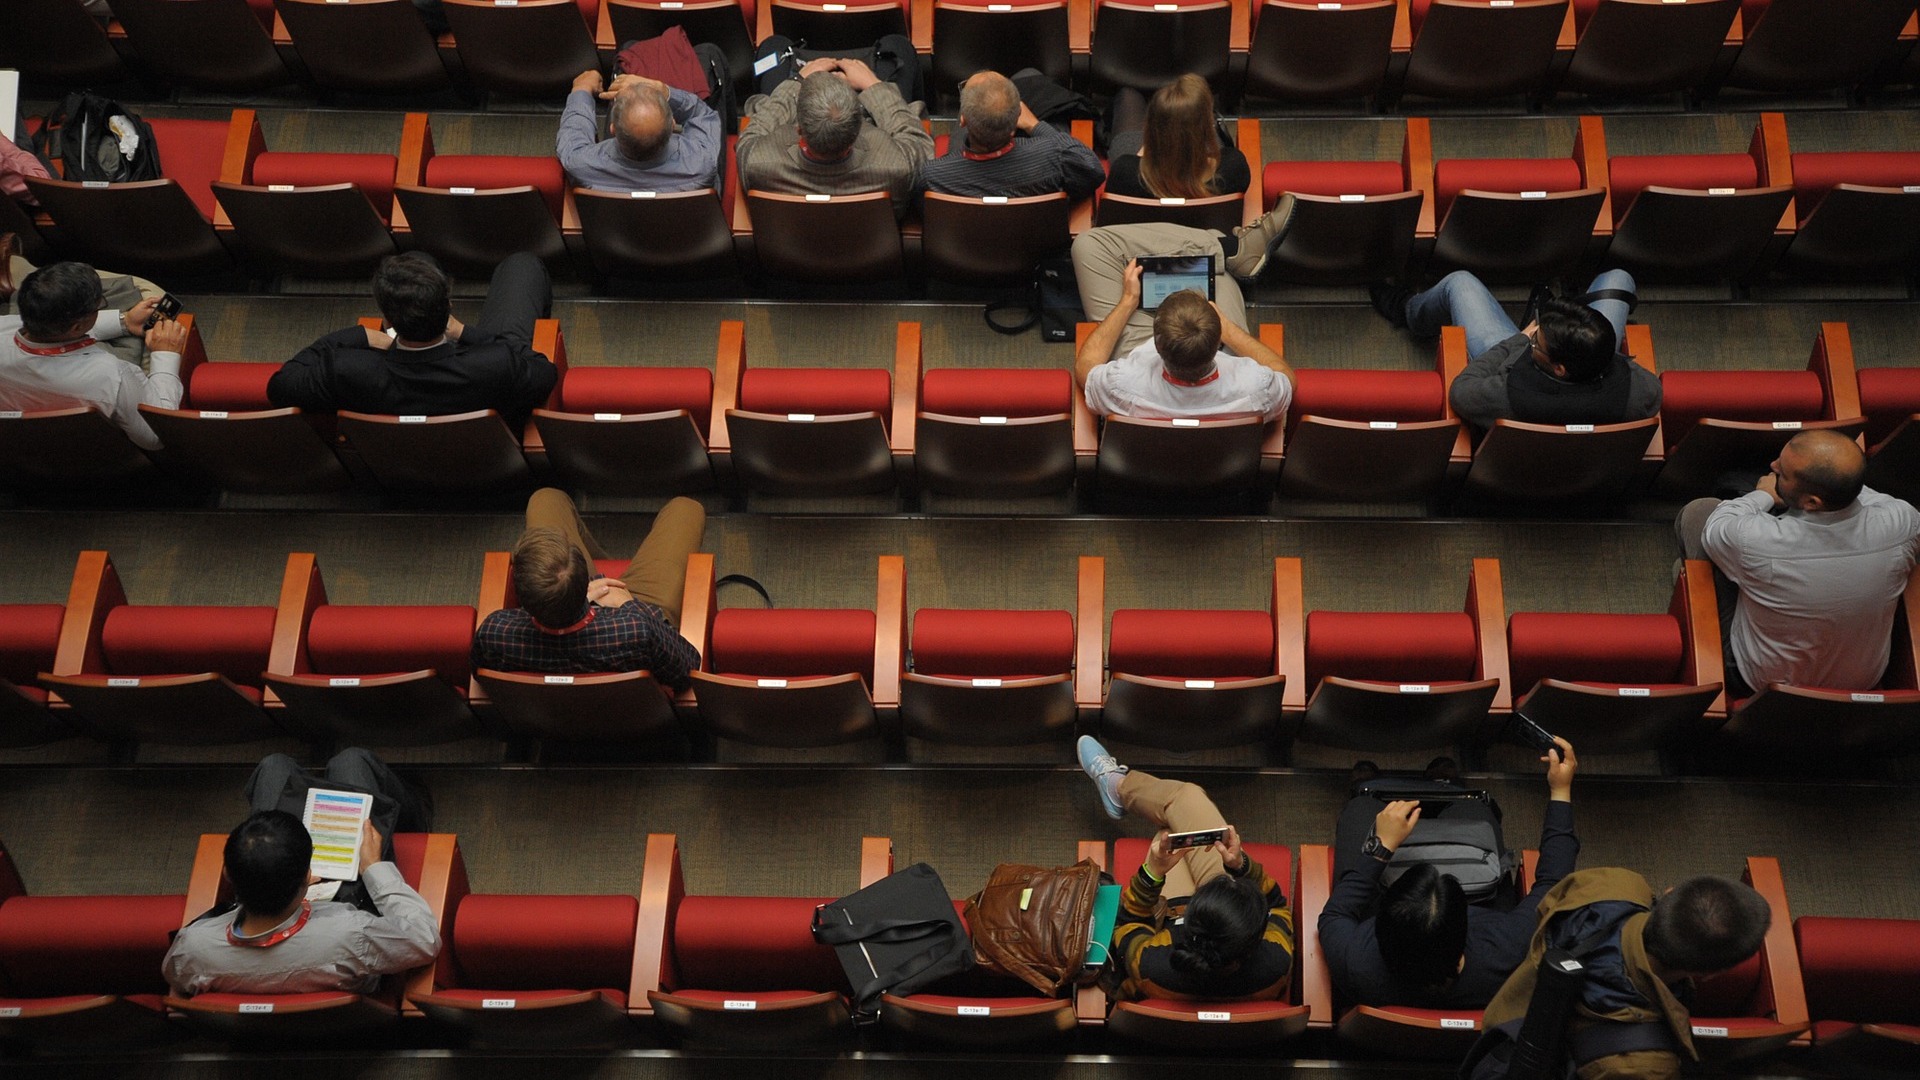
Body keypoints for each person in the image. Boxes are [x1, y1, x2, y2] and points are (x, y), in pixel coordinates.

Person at [1320, 740, 1579, 1010]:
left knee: (1361, 810)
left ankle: (1368, 793)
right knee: (1473, 810)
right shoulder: (1508, 951)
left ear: (1382, 930)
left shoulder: (1357, 962)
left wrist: (1380, 848)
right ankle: (1445, 787)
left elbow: (1335, 914)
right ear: (1464, 928)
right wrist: (1560, 790)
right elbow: (1554, 882)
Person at [162, 749, 439, 997]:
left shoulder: (192, 948)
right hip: (345, 913)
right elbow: (424, 939)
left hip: (296, 921)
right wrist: (373, 867)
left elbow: (180, 981)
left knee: (274, 766)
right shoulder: (352, 934)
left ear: (227, 874)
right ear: (309, 877)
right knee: (351, 761)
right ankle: (417, 813)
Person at [1675, 429, 1920, 697]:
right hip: (1862, 681)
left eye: (1783, 473)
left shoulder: (1755, 540)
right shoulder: (1904, 522)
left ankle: (1687, 586)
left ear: (1812, 502)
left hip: (1760, 682)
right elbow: (1857, 494)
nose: (1773, 466)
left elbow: (1718, 526)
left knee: (1700, 513)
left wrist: (1765, 494)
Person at [1479, 870, 1773, 1079]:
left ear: (1669, 894)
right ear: (1709, 975)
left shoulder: (1614, 885)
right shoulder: (1648, 1065)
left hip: (1505, 1022)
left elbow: (1546, 909)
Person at [1077, 736, 1294, 1002]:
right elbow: (1279, 907)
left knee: (1171, 826)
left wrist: (1152, 875)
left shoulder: (1152, 964)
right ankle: (1118, 788)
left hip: (1169, 917)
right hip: (1219, 932)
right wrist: (1240, 865)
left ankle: (1118, 787)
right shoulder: (1274, 961)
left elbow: (1129, 924)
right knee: (1177, 827)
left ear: (1191, 921)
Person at [266, 251, 557, 429]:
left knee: (417, 259)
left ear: (388, 320)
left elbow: (280, 385)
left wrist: (359, 335)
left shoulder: (345, 370)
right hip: (492, 462)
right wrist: (468, 334)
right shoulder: (497, 363)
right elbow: (544, 372)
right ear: (449, 308)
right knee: (521, 265)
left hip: (393, 469)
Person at [472, 488, 707, 692]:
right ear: (584, 577)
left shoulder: (494, 631)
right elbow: (690, 667)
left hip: (548, 717)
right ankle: (627, 570)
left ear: (519, 594)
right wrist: (630, 605)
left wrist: (568, 597)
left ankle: (612, 563)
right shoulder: (637, 628)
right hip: (632, 606)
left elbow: (481, 676)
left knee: (546, 498)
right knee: (685, 508)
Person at [1371, 269, 1660, 431]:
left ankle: (1406, 310)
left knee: (1459, 284)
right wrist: (1593, 342)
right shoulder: (1643, 394)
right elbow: (1631, 372)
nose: (1535, 338)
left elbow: (1462, 390)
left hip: (1513, 362)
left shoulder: (1505, 395)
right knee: (1620, 279)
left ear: (1560, 368)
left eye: (1539, 342)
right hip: (1588, 446)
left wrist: (1521, 340)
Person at [1073, 256, 1294, 422]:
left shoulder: (1120, 384)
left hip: (1144, 475)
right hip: (1225, 475)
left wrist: (1128, 301)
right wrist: (1231, 331)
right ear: (1218, 343)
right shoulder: (1257, 387)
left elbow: (1085, 368)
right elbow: (1287, 379)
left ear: (1157, 346)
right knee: (1224, 278)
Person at [0, 260, 184, 451]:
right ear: (76, 327)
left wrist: (124, 321)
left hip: (21, 450)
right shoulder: (111, 375)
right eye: (99, 305)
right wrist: (165, 353)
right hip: (102, 455)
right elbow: (156, 436)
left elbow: (48, 331)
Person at [735, 57, 934, 220]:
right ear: (858, 132)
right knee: (898, 45)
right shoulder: (897, 167)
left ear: (798, 129)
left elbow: (753, 133)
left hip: (786, 256)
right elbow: (917, 139)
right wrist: (873, 85)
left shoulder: (757, 162)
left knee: (774, 45)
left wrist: (797, 81)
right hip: (870, 257)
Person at [918, 71, 1104, 201]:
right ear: (1016, 123)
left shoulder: (933, 175)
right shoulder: (1054, 157)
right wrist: (1035, 125)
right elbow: (1092, 170)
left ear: (962, 121)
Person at [557, 68, 721, 193]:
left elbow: (574, 133)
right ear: (672, 125)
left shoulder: (580, 165)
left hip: (616, 235)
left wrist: (582, 88)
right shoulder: (702, 163)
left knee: (626, 51)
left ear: (612, 128)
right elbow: (703, 115)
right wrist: (666, 91)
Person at [1101, 74, 1250, 201]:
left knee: (1128, 95)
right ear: (1207, 127)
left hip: (1144, 230)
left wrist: (1147, 150)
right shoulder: (1233, 168)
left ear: (1151, 129)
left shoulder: (1125, 172)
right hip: (1204, 234)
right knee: (1191, 105)